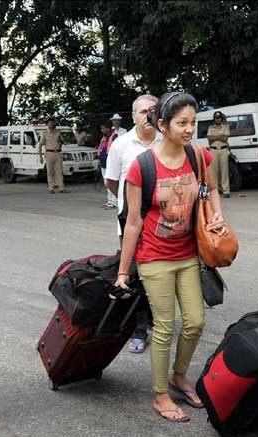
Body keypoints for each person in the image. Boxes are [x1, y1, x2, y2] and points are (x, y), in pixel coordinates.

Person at [113, 91, 229, 423]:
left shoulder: (198, 156)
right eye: (182, 123)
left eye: (193, 122)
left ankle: (179, 377)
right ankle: (161, 394)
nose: (190, 129)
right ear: (163, 125)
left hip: (189, 253)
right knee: (164, 327)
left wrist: (218, 215)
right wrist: (124, 272)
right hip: (154, 258)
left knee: (195, 322)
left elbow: (211, 189)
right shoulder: (142, 166)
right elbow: (132, 222)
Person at [106, 94, 162, 354]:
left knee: (160, 274)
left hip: (164, 225)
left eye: (153, 110)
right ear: (133, 116)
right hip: (131, 223)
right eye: (143, 112)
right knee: (134, 275)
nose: (148, 115)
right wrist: (128, 205)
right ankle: (139, 330)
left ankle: (154, 319)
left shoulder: (167, 141)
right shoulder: (121, 145)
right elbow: (113, 181)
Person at [38, 118, 68, 194]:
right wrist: (40, 156)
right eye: (50, 123)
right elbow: (40, 145)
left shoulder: (58, 132)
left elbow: (63, 142)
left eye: (52, 123)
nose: (51, 124)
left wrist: (61, 141)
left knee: (59, 171)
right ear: (47, 124)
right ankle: (51, 187)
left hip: (58, 153)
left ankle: (61, 187)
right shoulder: (45, 133)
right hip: (49, 153)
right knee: (49, 171)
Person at [206, 111, 231, 198]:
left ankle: (226, 190)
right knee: (214, 171)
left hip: (223, 149)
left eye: (219, 118)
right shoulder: (211, 127)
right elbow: (209, 138)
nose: (218, 120)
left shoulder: (225, 126)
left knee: (224, 171)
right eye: (216, 118)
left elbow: (225, 138)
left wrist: (215, 137)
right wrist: (219, 136)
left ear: (221, 119)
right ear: (214, 119)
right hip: (213, 150)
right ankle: (216, 190)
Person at [97, 123, 120, 209]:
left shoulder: (114, 136)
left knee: (111, 182)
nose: (102, 130)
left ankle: (114, 202)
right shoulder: (104, 138)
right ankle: (110, 201)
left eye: (103, 128)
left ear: (108, 128)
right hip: (104, 163)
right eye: (101, 128)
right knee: (106, 183)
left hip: (110, 163)